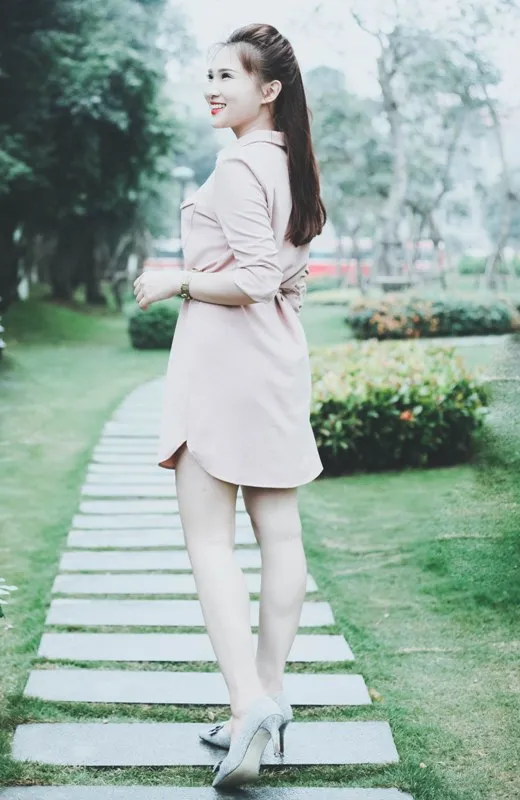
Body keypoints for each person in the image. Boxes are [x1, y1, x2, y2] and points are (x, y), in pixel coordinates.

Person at [133, 22, 327, 789]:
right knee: (280, 534)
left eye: (228, 77)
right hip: (275, 362)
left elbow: (252, 279)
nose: (212, 88)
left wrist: (174, 280)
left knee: (210, 543)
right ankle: (267, 696)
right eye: (208, 75)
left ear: (268, 90)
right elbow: (289, 283)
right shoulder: (295, 166)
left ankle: (248, 702)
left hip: (222, 366)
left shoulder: (242, 166)